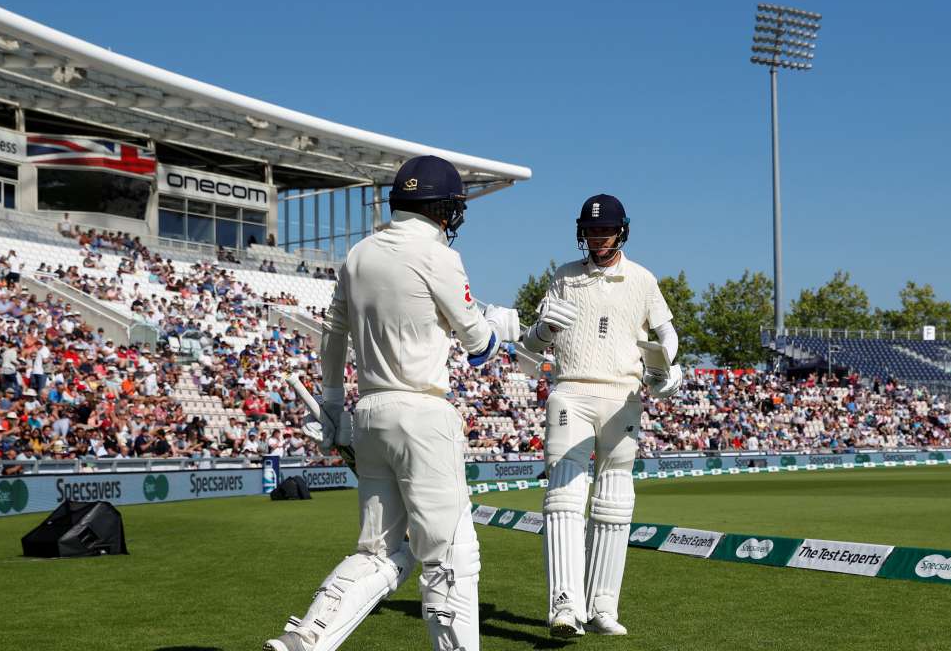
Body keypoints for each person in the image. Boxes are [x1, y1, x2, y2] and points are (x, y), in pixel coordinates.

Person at [266, 156, 511, 651]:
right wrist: (502, 327)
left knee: (380, 551)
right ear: (443, 208)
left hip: (370, 413)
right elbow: (479, 347)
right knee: (450, 557)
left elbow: (332, 336)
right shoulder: (438, 255)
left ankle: (308, 637)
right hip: (423, 414)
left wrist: (333, 405)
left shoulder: (359, 255)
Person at [520, 193, 683, 637]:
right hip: (570, 391)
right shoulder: (564, 277)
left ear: (621, 231)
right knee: (565, 498)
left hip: (623, 396)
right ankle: (564, 606)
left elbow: (667, 333)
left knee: (614, 502)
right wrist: (542, 330)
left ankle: (602, 608)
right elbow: (531, 347)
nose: (597, 238)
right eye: (590, 231)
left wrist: (666, 366)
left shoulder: (643, 279)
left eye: (604, 230)